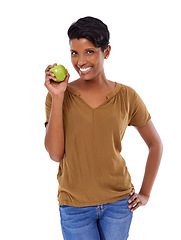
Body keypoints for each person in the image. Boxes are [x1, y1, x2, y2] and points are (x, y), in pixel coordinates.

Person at [44, 16, 163, 240]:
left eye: (89, 51)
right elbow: (55, 153)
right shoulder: (58, 96)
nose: (80, 61)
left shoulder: (127, 96)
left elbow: (155, 144)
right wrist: (58, 97)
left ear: (106, 51)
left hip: (119, 203)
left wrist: (145, 193)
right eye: (74, 53)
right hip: (75, 206)